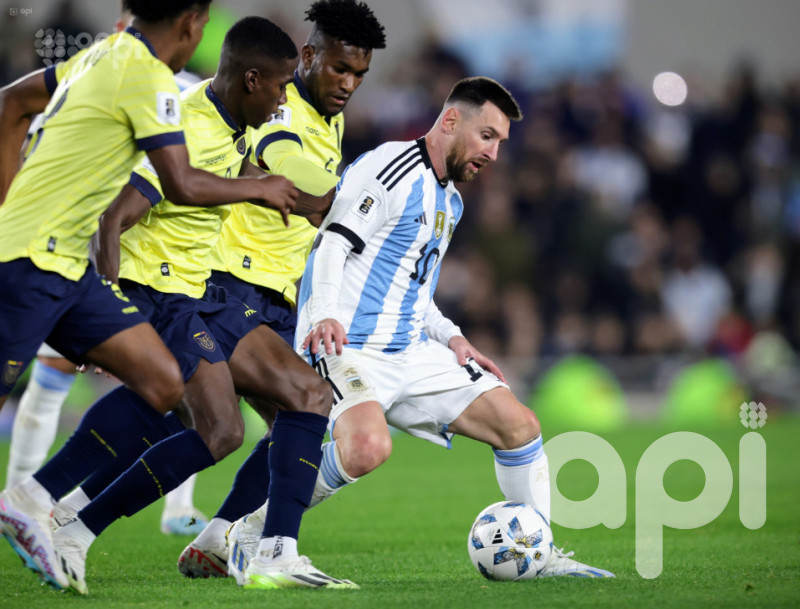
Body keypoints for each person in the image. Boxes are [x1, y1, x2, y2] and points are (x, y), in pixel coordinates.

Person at [7, 15, 356, 595]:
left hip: (190, 293)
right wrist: (112, 307)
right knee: (182, 404)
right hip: (151, 290)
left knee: (221, 428)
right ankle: (52, 508)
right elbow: (116, 216)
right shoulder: (188, 122)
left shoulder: (231, 121)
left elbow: (237, 174)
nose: (283, 100)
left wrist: (303, 194)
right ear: (251, 80)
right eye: (278, 87)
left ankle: (70, 519)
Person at [226, 77, 615, 579]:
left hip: (411, 350)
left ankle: (537, 554)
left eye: (500, 143)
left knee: (520, 427)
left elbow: (416, 291)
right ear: (451, 121)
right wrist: (321, 312)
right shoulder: (389, 167)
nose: (494, 155)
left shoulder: (449, 198)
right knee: (366, 447)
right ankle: (252, 530)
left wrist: (452, 337)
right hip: (348, 344)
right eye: (488, 136)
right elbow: (331, 244)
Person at [177, 0, 386, 579]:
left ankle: (220, 537)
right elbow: (291, 167)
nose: (349, 85)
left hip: (277, 296)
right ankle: (65, 511)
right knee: (247, 418)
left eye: (359, 76)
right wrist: (372, 196)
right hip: (235, 284)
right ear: (311, 56)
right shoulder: (280, 106)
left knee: (279, 424)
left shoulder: (328, 114)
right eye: (341, 69)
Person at [4, 7, 207, 538]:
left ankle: (30, 498)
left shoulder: (97, 54)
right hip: (29, 261)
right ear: (190, 24)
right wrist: (266, 187)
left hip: (74, 268)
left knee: (164, 380)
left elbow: (12, 101)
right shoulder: (156, 79)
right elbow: (181, 184)